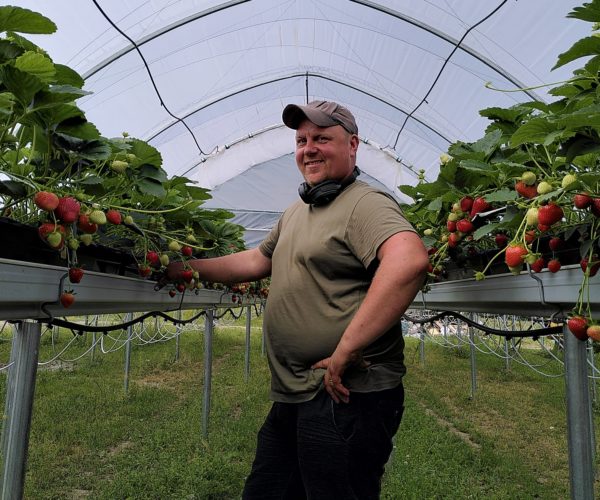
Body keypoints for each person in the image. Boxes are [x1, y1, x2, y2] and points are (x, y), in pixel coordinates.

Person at [167, 100, 429, 499]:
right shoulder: (297, 211)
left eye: (322, 138)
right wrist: (185, 267)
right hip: (297, 392)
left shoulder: (364, 202)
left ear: (353, 144)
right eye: (302, 140)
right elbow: (256, 260)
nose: (309, 148)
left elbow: (409, 261)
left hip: (345, 393)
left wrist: (347, 348)